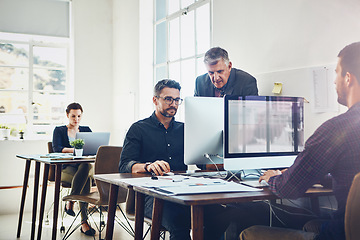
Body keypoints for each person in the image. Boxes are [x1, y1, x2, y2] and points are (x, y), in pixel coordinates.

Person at [239, 42, 360, 240]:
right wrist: (322, 176)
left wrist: (272, 177)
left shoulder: (337, 129)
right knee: (310, 224)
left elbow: (290, 188)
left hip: (342, 234)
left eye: (336, 73)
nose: (334, 82)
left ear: (348, 78)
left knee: (249, 233)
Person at [119, 79, 231, 240]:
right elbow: (124, 165)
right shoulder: (138, 129)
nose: (174, 104)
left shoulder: (185, 129)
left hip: (183, 191)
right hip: (151, 196)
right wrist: (148, 166)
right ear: (155, 100)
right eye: (168, 99)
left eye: (177, 100)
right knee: (179, 222)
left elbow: (201, 161)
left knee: (222, 214)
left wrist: (221, 160)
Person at [52, 102, 95, 236]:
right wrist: (77, 150)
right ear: (67, 115)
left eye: (79, 116)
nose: (76, 119)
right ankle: (84, 223)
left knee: (86, 167)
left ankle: (71, 199)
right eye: (73, 116)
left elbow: (93, 147)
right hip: (65, 170)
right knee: (86, 178)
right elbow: (57, 149)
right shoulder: (59, 130)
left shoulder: (86, 129)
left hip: (83, 167)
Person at [194, 46, 258, 97]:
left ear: (229, 66)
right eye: (211, 73)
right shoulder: (199, 83)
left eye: (220, 71)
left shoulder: (246, 82)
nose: (216, 78)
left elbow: (252, 112)